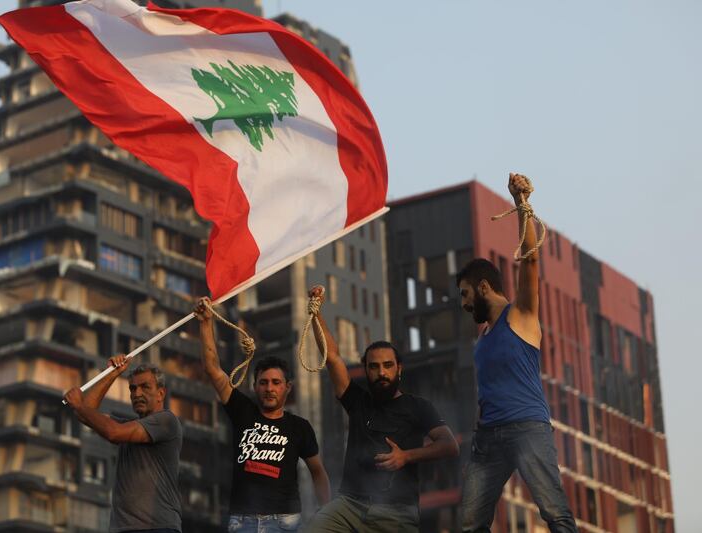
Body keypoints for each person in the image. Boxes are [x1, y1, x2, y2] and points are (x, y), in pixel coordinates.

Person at [457, 173, 577, 532]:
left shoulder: (521, 315)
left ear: (483, 287)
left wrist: (521, 206)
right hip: (489, 437)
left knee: (554, 513)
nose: (463, 304)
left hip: (527, 428)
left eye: (465, 294)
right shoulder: (483, 339)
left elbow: (530, 262)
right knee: (470, 523)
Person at [305, 286, 459, 533]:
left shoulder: (418, 406)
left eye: (388, 366)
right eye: (374, 367)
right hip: (349, 505)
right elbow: (332, 357)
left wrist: (406, 456)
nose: (382, 373)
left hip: (396, 511)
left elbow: (450, 445)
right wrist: (316, 311)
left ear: (399, 368)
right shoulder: (356, 400)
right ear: (366, 369)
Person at [193, 297, 331, 533]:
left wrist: (327, 515)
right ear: (255, 386)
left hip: (285, 521)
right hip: (243, 520)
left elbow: (318, 471)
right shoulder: (242, 410)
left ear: (288, 387)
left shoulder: (300, 427)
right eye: (263, 383)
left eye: (276, 383)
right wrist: (206, 323)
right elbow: (213, 370)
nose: (269, 388)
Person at [64, 356, 182, 533]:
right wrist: (112, 374)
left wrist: (79, 406)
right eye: (133, 388)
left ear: (161, 393)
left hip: (157, 527)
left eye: (145, 387)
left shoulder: (166, 421)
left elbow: (113, 432)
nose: (137, 394)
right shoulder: (128, 427)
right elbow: (87, 414)